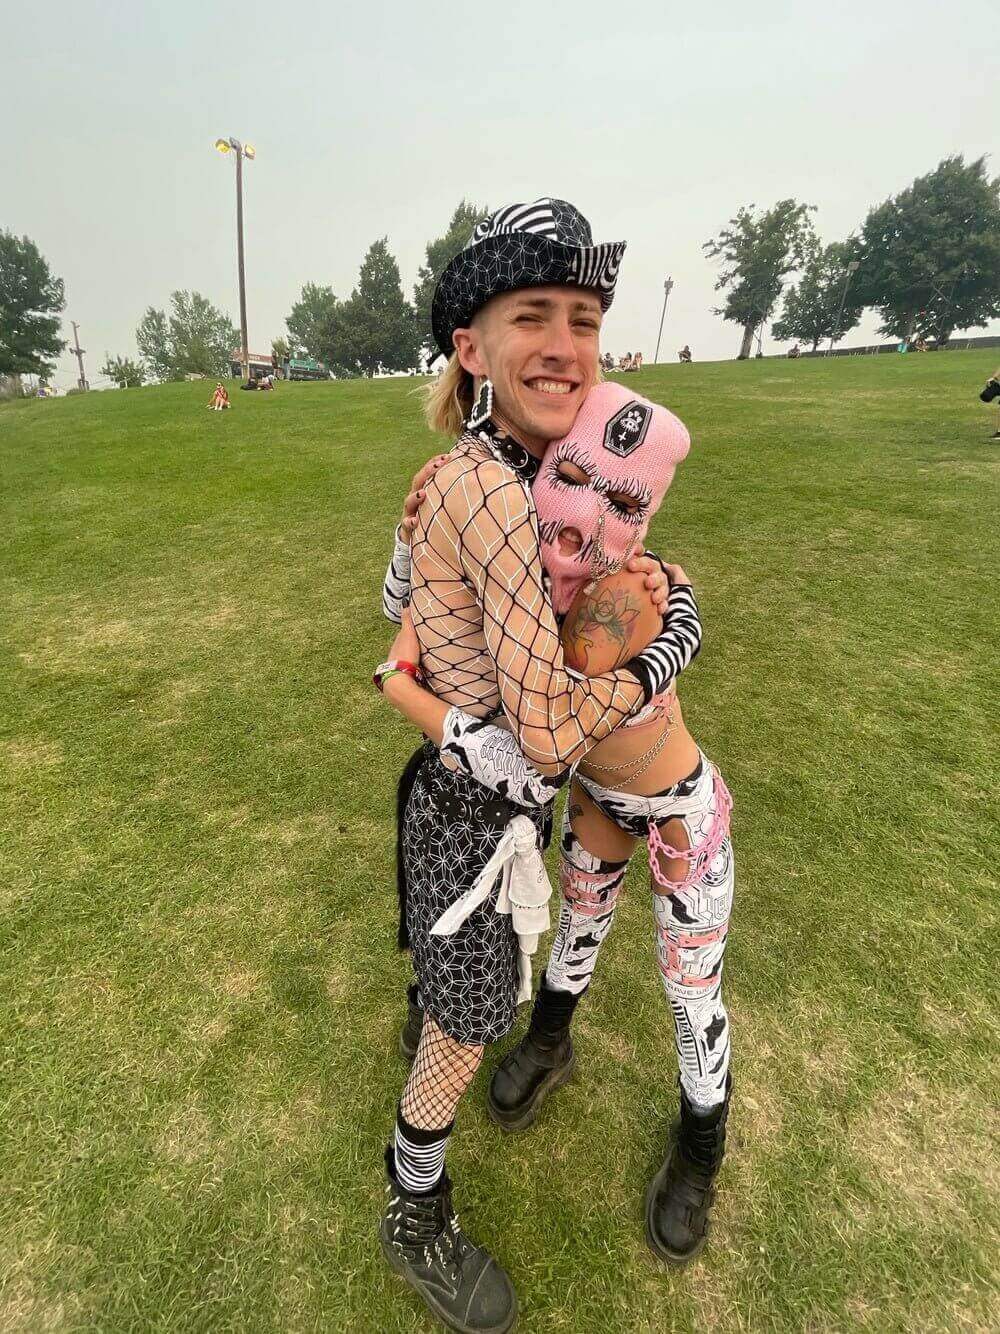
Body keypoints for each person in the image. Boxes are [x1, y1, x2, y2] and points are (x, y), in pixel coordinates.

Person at [373, 198, 702, 1333]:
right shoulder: (496, 494)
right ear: (471, 346)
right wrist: (665, 649)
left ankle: (430, 1027)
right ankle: (414, 1203)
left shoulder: (492, 474)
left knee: (449, 985)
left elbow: (395, 607)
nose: (566, 343)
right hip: (475, 815)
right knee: (467, 1027)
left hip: (457, 800)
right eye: (532, 315)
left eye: (584, 317)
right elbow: (555, 734)